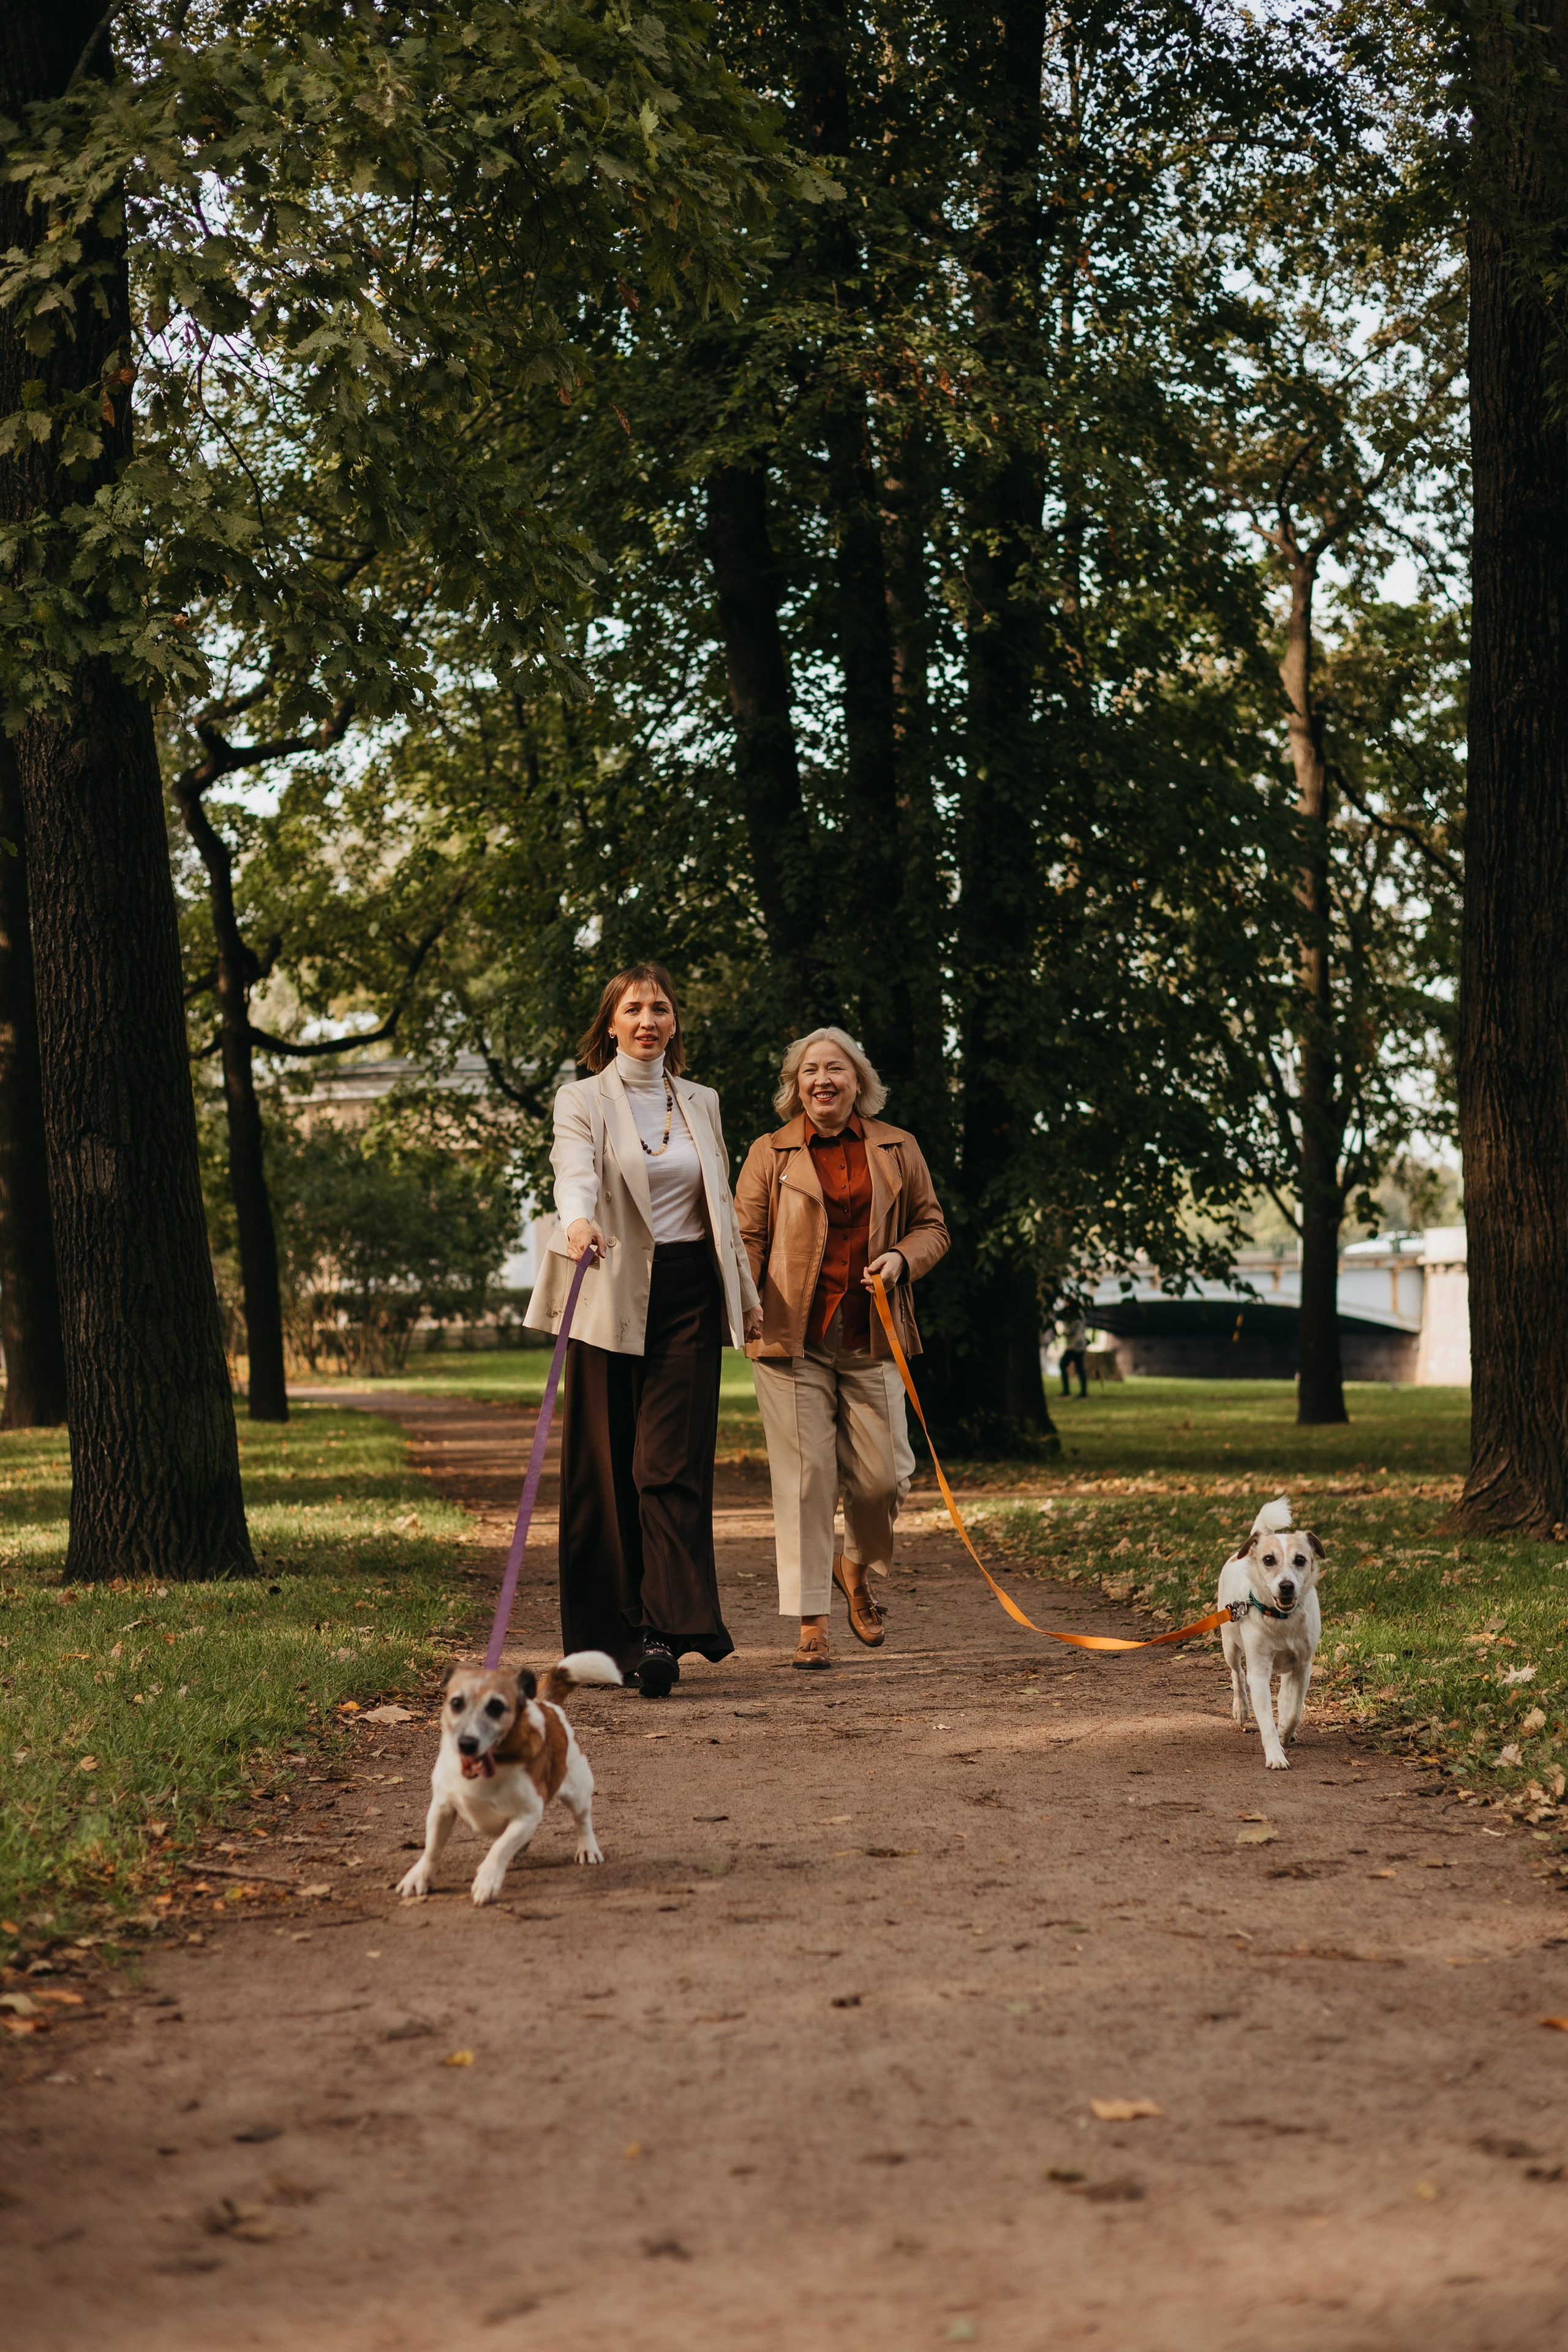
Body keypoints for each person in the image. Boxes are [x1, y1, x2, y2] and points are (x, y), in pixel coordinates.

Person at [525, 963, 763, 1698]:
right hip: (610, 1290)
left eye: (660, 1008)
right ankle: (606, 1641)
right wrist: (576, 1220)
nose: (648, 1020)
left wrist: (745, 1295)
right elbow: (574, 1171)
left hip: (691, 1293)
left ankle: (664, 1633)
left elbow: (719, 1206)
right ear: (610, 1023)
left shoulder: (701, 1101)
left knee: (666, 1466)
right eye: (633, 1009)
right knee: (605, 1469)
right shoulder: (582, 1099)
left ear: (674, 1023)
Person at [735, 1027, 949, 1670]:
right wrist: (742, 1301)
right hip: (789, 1337)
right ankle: (810, 1623)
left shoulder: (897, 1147)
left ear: (858, 1081)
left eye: (835, 1069)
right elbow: (744, 1236)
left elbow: (932, 1227)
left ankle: (853, 1568)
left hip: (874, 1330)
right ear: (794, 1086)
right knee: (805, 1483)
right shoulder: (769, 1153)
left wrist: (900, 1260)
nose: (821, 1081)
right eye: (809, 1072)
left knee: (887, 1477)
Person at [1057, 1306, 1089, 1398]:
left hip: (1074, 1346)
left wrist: (1064, 1333)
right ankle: (1083, 1392)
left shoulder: (1074, 1317)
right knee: (1080, 1368)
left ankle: (1067, 1391)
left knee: (1063, 1365)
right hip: (1081, 1345)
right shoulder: (1082, 1315)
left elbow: (1071, 1331)